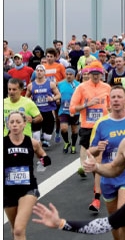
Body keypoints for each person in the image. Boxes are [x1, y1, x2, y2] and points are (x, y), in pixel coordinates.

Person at [88, 86, 125, 240]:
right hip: (108, 176)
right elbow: (91, 150)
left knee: (123, 212)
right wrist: (98, 148)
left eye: (119, 97)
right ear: (110, 101)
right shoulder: (101, 123)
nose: (116, 100)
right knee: (114, 218)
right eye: (113, 97)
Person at [69, 60, 111, 211]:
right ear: (89, 74)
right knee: (94, 163)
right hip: (87, 128)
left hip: (104, 127)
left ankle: (97, 196)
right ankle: (99, 187)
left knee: (99, 160)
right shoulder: (81, 88)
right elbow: (72, 109)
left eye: (98, 74)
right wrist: (87, 104)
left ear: (102, 74)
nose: (95, 76)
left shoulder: (107, 87)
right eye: (93, 74)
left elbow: (112, 106)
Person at [4, 111, 51, 240]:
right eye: (12, 122)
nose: (15, 125)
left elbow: (44, 157)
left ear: (24, 124)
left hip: (28, 188)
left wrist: (44, 161)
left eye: (18, 122)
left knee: (19, 229)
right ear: (7, 124)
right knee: (15, 230)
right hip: (7, 190)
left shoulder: (33, 143)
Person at [26, 65, 61, 147]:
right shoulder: (31, 85)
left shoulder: (51, 84)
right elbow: (26, 97)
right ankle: (39, 150)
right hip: (36, 112)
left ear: (44, 72)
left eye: (41, 70)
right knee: (35, 136)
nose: (39, 72)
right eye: (37, 70)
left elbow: (58, 95)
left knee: (47, 136)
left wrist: (52, 98)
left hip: (48, 111)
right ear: (35, 72)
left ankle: (44, 138)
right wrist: (29, 100)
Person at [56, 68, 80, 154]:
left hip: (74, 111)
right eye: (67, 74)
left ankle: (73, 146)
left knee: (74, 130)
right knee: (64, 128)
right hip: (63, 110)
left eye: (71, 74)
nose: (68, 76)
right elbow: (56, 94)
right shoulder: (60, 84)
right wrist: (57, 100)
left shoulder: (78, 85)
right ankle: (67, 142)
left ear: (74, 75)